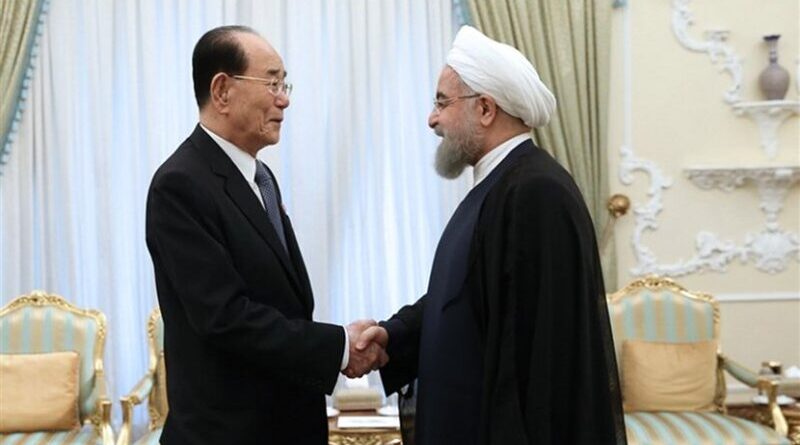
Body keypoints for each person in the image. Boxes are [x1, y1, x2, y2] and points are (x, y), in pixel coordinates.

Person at [356, 26, 627, 445]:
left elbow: (540, 362)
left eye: (442, 103)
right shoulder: (501, 184)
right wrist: (394, 334)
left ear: (485, 108)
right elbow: (465, 297)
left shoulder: (536, 192)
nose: (433, 119)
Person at [145, 26, 385, 445]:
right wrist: (339, 347)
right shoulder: (180, 184)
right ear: (222, 90)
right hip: (229, 433)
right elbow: (226, 318)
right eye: (272, 82)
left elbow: (282, 300)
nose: (284, 98)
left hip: (284, 424)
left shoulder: (260, 176)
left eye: (284, 83)